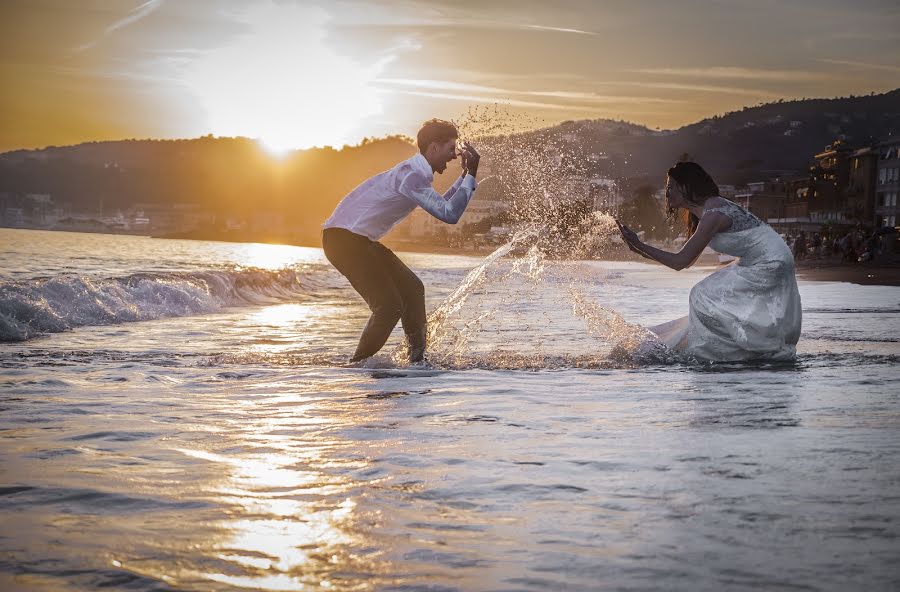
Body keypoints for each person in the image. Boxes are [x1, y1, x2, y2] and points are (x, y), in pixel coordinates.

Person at [322, 119, 480, 363]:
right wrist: (470, 173)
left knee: (414, 290)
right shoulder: (412, 176)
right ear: (433, 147)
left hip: (357, 240)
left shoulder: (415, 175)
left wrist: (465, 176)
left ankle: (417, 362)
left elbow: (443, 205)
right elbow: (450, 214)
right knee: (389, 306)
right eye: (450, 149)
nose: (453, 156)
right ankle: (356, 365)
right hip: (344, 240)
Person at [616, 161, 802, 361]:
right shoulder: (704, 213)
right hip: (763, 258)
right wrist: (638, 248)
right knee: (710, 298)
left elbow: (680, 261)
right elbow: (685, 262)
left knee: (701, 294)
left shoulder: (713, 213)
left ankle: (730, 352)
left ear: (687, 187)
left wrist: (640, 245)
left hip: (770, 261)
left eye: (671, 187)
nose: (667, 194)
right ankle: (741, 350)